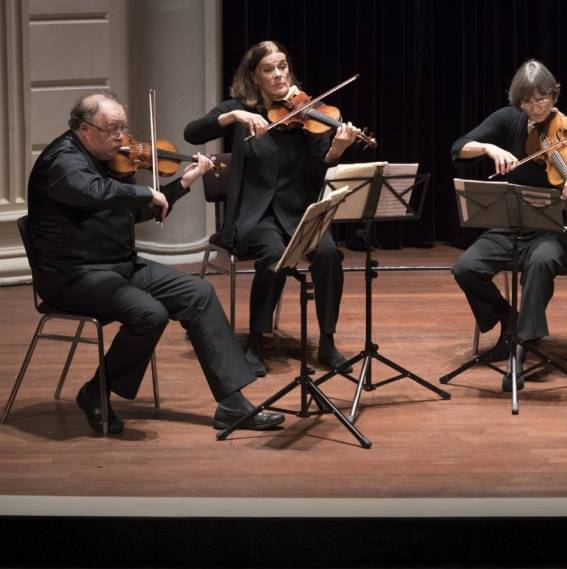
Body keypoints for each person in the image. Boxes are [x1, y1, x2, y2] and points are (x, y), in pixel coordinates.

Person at [26, 90, 284, 435]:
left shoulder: (109, 159)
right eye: (112, 129)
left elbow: (130, 215)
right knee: (149, 313)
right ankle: (96, 391)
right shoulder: (62, 162)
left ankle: (233, 404)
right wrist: (146, 191)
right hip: (71, 275)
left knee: (198, 292)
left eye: (123, 127)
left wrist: (181, 185)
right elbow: (96, 192)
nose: (121, 137)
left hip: (119, 265)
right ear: (84, 129)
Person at [184, 40, 359, 377]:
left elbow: (314, 175)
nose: (278, 74)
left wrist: (335, 152)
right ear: (254, 77)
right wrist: (232, 114)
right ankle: (256, 341)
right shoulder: (239, 109)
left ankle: (326, 340)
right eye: (268, 69)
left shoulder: (307, 114)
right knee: (273, 255)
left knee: (328, 255)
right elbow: (192, 133)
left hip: (298, 213)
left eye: (282, 66)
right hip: (255, 215)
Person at [450, 59, 567, 391]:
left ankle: (520, 348)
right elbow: (459, 147)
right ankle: (508, 319)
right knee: (465, 267)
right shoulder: (509, 119)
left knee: (540, 263)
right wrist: (488, 146)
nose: (535, 107)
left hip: (559, 230)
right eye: (527, 101)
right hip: (513, 227)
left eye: (541, 99)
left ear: (554, 95)